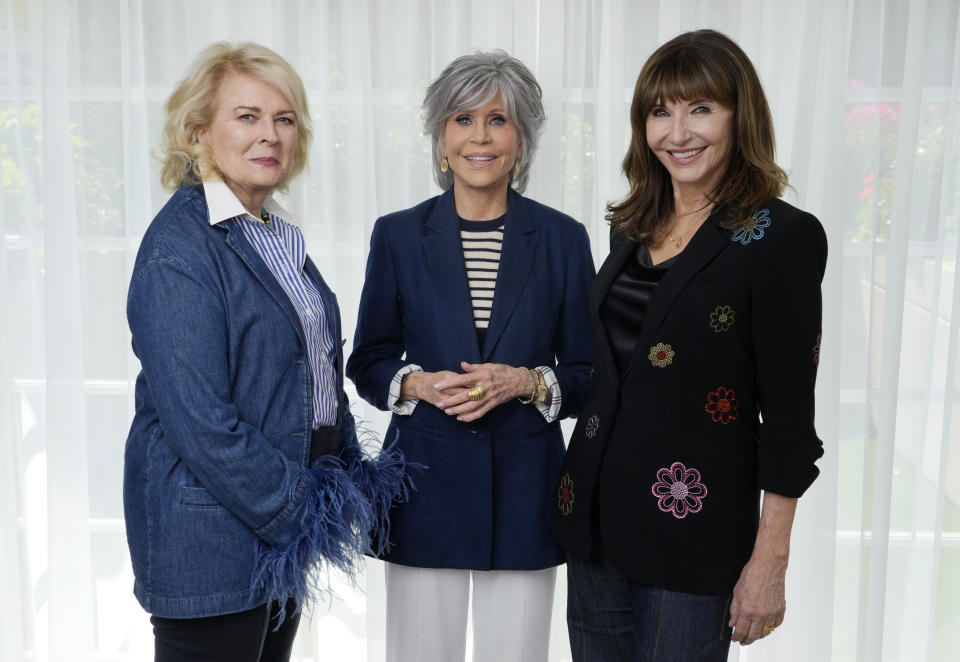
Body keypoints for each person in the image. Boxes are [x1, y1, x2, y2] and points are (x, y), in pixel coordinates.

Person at [123, 42, 411, 662]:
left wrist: (338, 478)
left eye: (283, 119)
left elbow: (308, 373)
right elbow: (202, 423)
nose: (270, 135)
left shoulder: (273, 234)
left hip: (273, 533)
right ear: (199, 131)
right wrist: (302, 508)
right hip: (210, 534)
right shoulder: (180, 250)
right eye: (246, 116)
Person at [551, 29, 828, 661]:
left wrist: (770, 560)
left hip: (693, 526)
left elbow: (789, 420)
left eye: (700, 108)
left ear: (739, 116)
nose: (678, 132)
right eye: (660, 111)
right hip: (593, 519)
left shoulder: (782, 237)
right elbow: (611, 373)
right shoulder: (633, 226)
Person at [346, 50, 595, 662]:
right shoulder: (398, 235)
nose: (479, 137)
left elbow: (592, 373)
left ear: (522, 139)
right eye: (462, 119)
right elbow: (368, 358)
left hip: (527, 492)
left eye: (498, 120)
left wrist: (529, 382)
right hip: (423, 489)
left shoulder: (563, 239)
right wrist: (418, 385)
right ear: (440, 137)